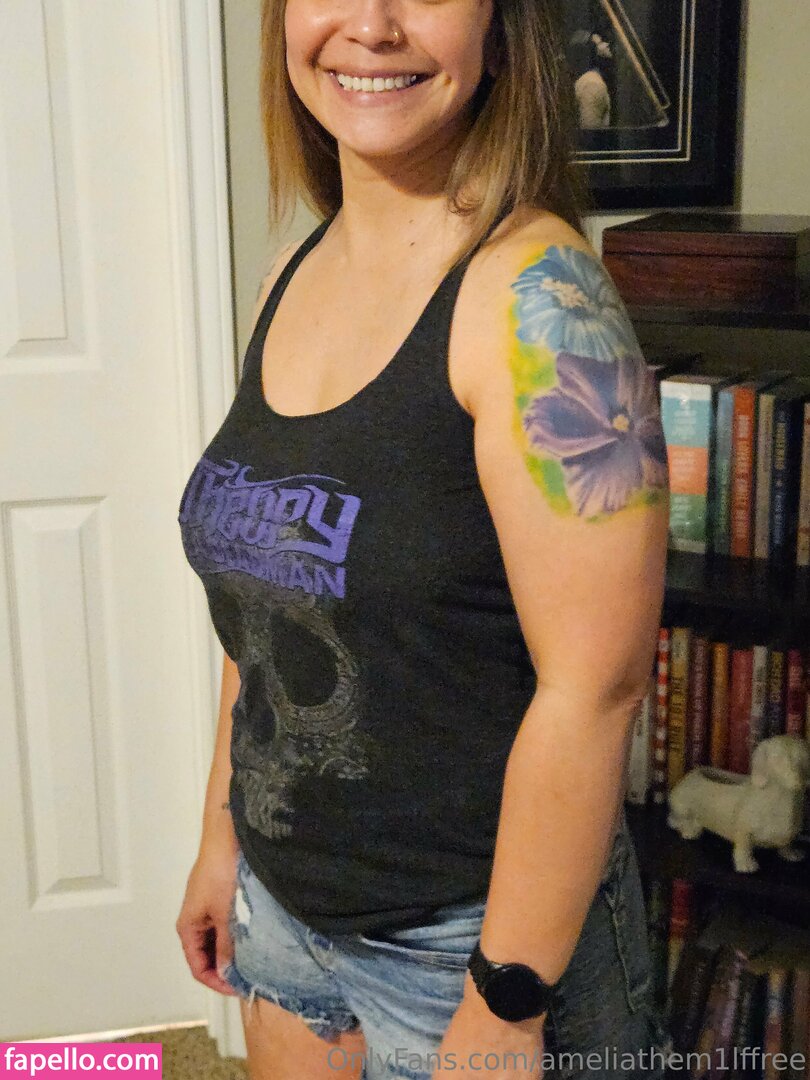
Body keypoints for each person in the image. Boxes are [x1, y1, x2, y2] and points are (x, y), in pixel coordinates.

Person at [175, 1, 672, 1078]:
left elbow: (598, 688)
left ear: (501, 26)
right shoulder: (289, 273)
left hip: (472, 943)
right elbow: (267, 612)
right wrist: (222, 838)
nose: (373, 23)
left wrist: (507, 1001)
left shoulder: (542, 303)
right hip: (285, 903)